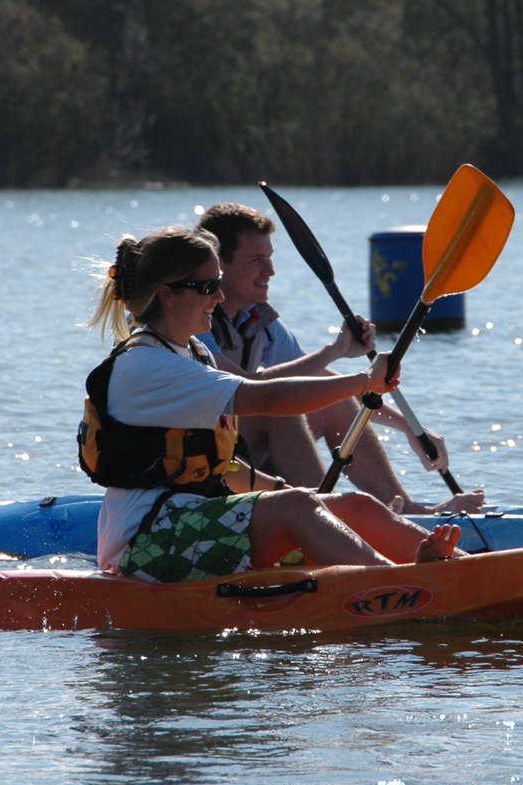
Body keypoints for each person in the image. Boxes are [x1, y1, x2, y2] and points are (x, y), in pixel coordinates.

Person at [81, 226, 461, 581]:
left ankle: (462, 570)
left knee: (355, 505)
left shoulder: (194, 353)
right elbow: (268, 396)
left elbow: (220, 465)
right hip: (143, 544)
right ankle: (403, 584)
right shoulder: (146, 364)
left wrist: (289, 492)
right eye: (209, 286)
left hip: (190, 521)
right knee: (298, 506)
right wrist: (364, 381)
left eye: (218, 284)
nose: (219, 297)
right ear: (167, 294)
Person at [194, 202, 485, 516]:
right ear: (218, 264)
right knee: (282, 408)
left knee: (335, 401)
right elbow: (246, 390)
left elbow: (316, 382)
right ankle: (325, 516)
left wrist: (411, 428)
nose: (270, 271)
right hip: (209, 462)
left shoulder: (259, 319)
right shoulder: (194, 317)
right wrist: (334, 351)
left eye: (270, 258)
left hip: (241, 448)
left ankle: (405, 511)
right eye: (256, 260)